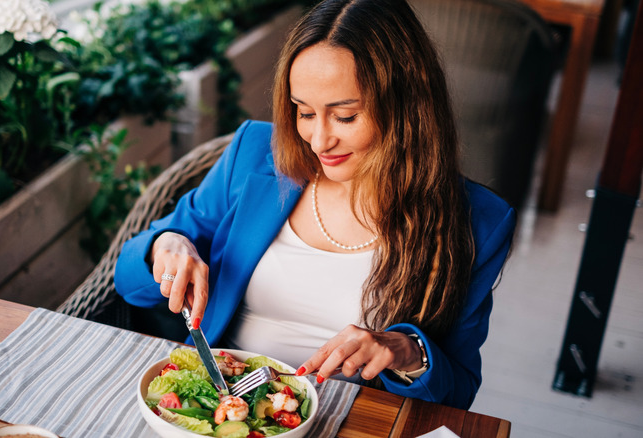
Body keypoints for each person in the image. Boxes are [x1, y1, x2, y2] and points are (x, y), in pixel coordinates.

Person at [115, 0, 516, 410]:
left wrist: (407, 352)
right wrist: (166, 246)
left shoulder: (478, 222)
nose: (319, 140)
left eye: (345, 117)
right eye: (304, 112)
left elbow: (459, 389)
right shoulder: (254, 154)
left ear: (406, 107)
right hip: (221, 404)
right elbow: (129, 281)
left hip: (354, 417)